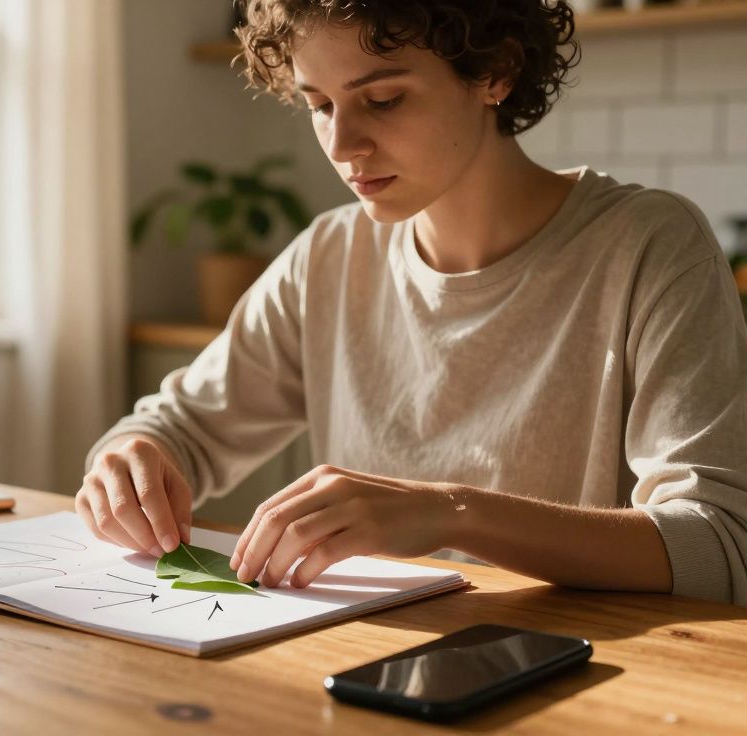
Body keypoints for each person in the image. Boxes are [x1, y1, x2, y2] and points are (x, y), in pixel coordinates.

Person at [76, 0, 747, 605]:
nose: (342, 146)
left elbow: (719, 544)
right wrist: (130, 459)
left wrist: (452, 514)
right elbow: (175, 429)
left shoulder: (649, 246)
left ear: (497, 71)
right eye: (319, 104)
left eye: (385, 99)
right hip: (364, 675)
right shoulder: (328, 258)